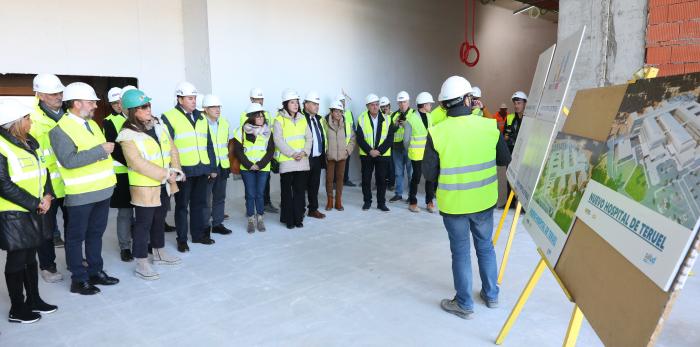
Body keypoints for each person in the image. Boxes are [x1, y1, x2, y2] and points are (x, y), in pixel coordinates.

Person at [423, 76, 511, 319]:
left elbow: (429, 173)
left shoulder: (437, 132)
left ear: (443, 104)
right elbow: (504, 160)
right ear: (468, 99)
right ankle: (491, 295)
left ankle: (464, 304)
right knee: (485, 247)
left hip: (454, 206)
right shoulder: (488, 126)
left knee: (460, 252)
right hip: (483, 202)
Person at [49, 82, 119, 295]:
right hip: (81, 194)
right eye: (91, 102)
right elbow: (69, 161)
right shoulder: (60, 130)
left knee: (95, 234)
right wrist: (101, 150)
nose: (95, 106)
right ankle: (78, 279)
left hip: (103, 190)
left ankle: (95, 271)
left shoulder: (93, 124)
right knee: (75, 237)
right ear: (76, 104)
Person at [0, 100, 58, 323]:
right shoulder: (2, 145)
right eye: (27, 118)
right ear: (15, 122)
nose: (31, 121)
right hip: (13, 213)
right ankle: (17, 308)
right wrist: (35, 202)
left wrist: (47, 196)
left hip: (35, 208)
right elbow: (3, 184)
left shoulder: (30, 142)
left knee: (30, 258)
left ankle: (34, 300)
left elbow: (45, 171)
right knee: (17, 260)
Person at [116, 89, 183, 280]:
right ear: (132, 111)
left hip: (164, 183)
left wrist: (175, 171)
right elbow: (136, 163)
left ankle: (159, 253)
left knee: (159, 220)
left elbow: (172, 149)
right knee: (143, 225)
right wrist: (166, 174)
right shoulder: (127, 134)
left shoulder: (159, 125)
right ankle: (141, 262)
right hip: (145, 187)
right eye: (143, 107)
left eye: (149, 105)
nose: (148, 109)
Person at [161, 82, 217, 252]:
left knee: (199, 204)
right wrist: (176, 170)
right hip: (183, 171)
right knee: (182, 206)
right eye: (190, 98)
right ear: (179, 99)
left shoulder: (201, 117)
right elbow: (167, 146)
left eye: (194, 98)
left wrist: (212, 167)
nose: (194, 101)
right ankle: (182, 239)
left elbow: (209, 144)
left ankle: (198, 235)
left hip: (201, 169)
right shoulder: (168, 117)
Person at [29, 73, 66, 284]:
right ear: (41, 95)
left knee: (73, 227)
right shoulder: (32, 119)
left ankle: (74, 261)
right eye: (53, 93)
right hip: (45, 184)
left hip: (70, 182)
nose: (58, 96)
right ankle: (48, 266)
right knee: (46, 230)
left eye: (60, 92)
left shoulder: (68, 115)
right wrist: (45, 190)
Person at [102, 87, 134, 262]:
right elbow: (114, 149)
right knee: (125, 212)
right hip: (122, 172)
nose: (118, 106)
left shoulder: (135, 117)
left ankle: (142, 241)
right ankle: (125, 247)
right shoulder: (108, 122)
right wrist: (133, 163)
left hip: (139, 171)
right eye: (114, 103)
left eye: (120, 102)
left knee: (143, 209)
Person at [233, 103, 275, 233]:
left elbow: (270, 151)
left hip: (263, 168)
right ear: (251, 118)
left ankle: (260, 218)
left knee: (259, 194)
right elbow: (238, 151)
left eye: (262, 116)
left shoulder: (268, 131)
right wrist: (250, 165)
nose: (261, 118)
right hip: (247, 168)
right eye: (258, 116)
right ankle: (251, 219)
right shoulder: (240, 131)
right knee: (250, 194)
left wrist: (259, 165)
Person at [273, 89, 312, 229]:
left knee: (300, 191)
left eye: (297, 102)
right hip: (287, 161)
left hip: (302, 161)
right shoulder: (278, 120)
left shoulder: (303, 119)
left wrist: (304, 152)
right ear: (285, 104)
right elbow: (278, 140)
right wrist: (292, 153)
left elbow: (309, 138)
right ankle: (289, 219)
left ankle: (298, 218)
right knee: (287, 193)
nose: (295, 105)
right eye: (292, 102)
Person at [240, 88, 279, 214]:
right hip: (249, 160)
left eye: (261, 99)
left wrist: (269, 156)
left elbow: (269, 132)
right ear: (251, 99)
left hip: (264, 157)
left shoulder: (266, 113)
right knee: (250, 189)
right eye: (257, 99)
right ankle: (250, 209)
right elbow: (245, 134)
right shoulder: (245, 114)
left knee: (264, 185)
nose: (260, 101)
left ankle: (265, 204)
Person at [356, 94, 395, 212]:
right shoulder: (361, 118)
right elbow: (360, 138)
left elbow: (390, 138)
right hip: (367, 155)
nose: (375, 107)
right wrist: (370, 151)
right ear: (367, 106)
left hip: (382, 155)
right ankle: (367, 202)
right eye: (372, 105)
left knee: (381, 180)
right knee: (366, 179)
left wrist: (379, 151)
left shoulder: (387, 119)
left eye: (377, 104)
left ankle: (381, 203)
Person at [202, 94, 232, 235]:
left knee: (220, 197)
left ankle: (218, 223)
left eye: (218, 106)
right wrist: (209, 168)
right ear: (205, 109)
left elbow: (225, 144)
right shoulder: (201, 124)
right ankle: (205, 226)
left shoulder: (224, 123)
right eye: (213, 107)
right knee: (206, 199)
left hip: (223, 165)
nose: (217, 109)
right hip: (208, 167)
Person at [404, 92, 436, 213]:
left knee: (430, 178)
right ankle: (412, 202)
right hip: (416, 154)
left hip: (428, 154)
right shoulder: (411, 119)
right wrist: (411, 150)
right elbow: (406, 140)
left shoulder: (430, 116)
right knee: (416, 178)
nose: (431, 106)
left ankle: (429, 202)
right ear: (423, 105)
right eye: (429, 104)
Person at [323, 100, 355, 211]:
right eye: (336, 111)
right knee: (329, 179)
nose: (338, 114)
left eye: (340, 111)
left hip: (342, 156)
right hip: (330, 157)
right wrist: (326, 151)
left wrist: (348, 151)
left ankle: (338, 201)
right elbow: (323, 138)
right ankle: (330, 201)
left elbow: (352, 138)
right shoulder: (325, 123)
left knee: (340, 179)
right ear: (331, 112)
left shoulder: (346, 123)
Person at [302, 91, 327, 219]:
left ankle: (313, 209)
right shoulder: (300, 118)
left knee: (314, 185)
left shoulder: (318, 119)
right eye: (314, 104)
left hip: (317, 157)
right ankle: (300, 210)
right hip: (305, 158)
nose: (317, 106)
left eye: (318, 104)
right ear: (306, 105)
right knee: (300, 186)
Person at [389, 91, 414, 203]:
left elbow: (416, 130)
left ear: (408, 102)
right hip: (397, 147)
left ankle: (411, 195)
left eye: (404, 102)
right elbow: (390, 131)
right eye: (400, 102)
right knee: (398, 173)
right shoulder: (394, 115)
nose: (402, 104)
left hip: (409, 147)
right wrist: (395, 125)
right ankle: (398, 194)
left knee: (410, 173)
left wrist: (406, 125)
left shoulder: (414, 114)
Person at [490, 103, 509, 208]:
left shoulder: (508, 116)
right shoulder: (495, 117)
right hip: (498, 138)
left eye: (505, 109)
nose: (503, 110)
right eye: (502, 109)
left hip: (504, 140)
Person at [336, 94, 356, 187]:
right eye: (341, 102)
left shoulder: (348, 113)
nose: (342, 104)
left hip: (347, 142)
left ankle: (345, 179)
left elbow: (353, 126)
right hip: (338, 143)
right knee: (337, 164)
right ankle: (336, 182)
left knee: (346, 162)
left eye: (343, 102)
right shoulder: (334, 113)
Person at [379, 96, 394, 191]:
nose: (385, 108)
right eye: (383, 106)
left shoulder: (393, 115)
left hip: (392, 144)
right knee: (381, 166)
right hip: (381, 145)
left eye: (386, 106)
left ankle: (391, 183)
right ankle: (380, 182)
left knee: (391, 165)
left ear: (389, 106)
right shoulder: (379, 116)